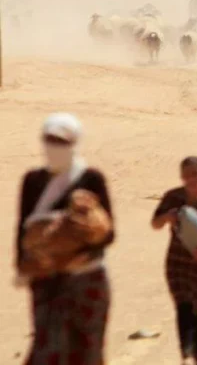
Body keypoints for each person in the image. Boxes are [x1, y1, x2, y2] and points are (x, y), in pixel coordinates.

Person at [16, 114, 114, 365]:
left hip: (87, 280)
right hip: (46, 279)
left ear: (75, 143)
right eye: (50, 140)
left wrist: (80, 256)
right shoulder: (33, 181)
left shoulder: (91, 179)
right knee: (46, 350)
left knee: (87, 352)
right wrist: (23, 265)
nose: (55, 147)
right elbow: (23, 228)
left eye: (62, 141)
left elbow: (108, 233)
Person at [152, 157, 197, 365]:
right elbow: (154, 224)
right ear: (181, 177)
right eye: (186, 175)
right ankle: (187, 356)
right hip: (177, 263)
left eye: (194, 174)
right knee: (183, 306)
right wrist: (167, 217)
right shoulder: (172, 198)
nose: (191, 179)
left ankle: (196, 357)